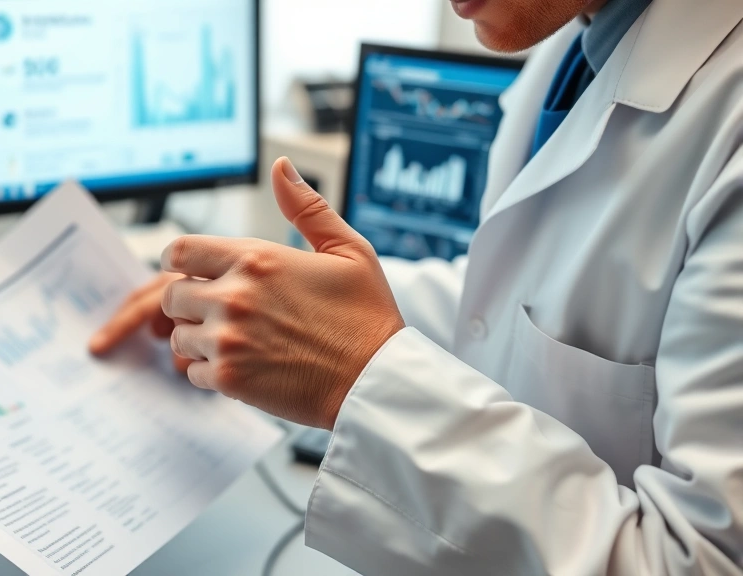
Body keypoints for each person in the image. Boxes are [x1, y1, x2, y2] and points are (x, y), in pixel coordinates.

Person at [91, 0, 743, 573]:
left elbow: (696, 562)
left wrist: (357, 377)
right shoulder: (583, 40)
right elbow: (508, 306)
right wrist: (282, 303)